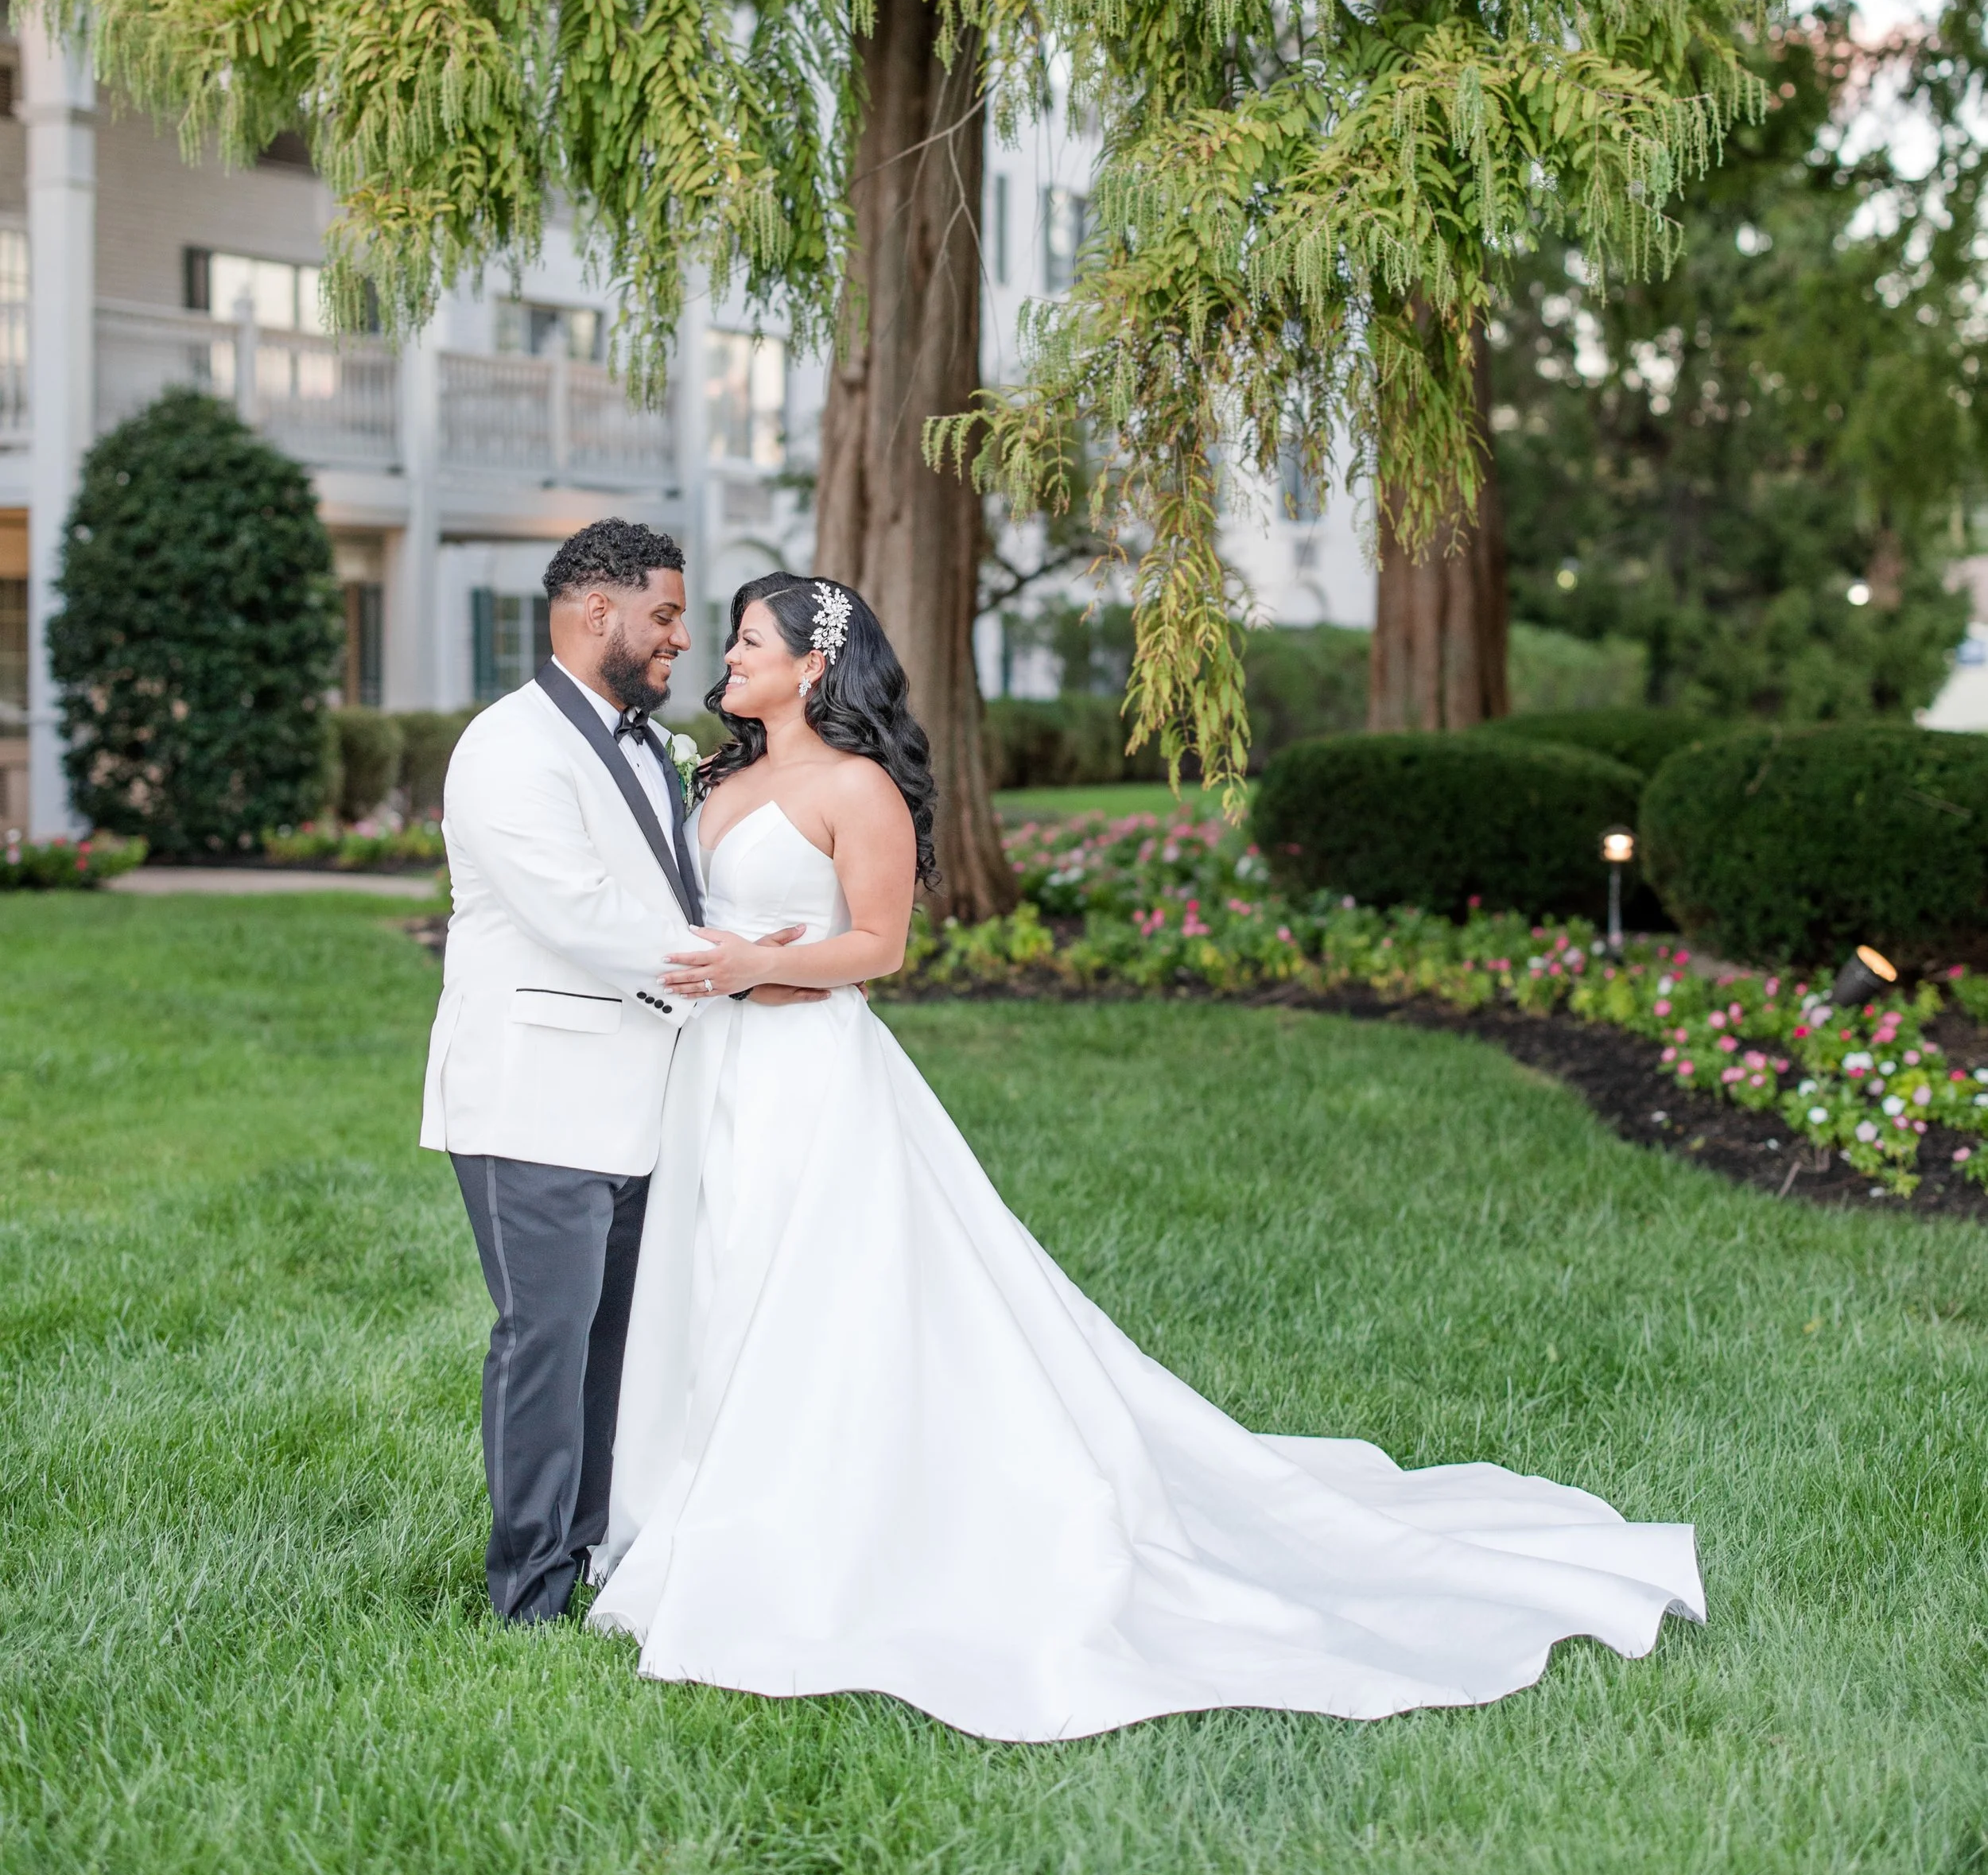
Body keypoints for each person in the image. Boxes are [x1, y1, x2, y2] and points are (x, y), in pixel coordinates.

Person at [587, 573, 1704, 1742]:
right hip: (713, 1070)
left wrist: (756, 969)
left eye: (750, 639)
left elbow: (879, 947)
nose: (728, 654)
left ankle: (796, 1530)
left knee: (806, 1291)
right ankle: (689, 1494)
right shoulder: (720, 776)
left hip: (808, 1076)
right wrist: (704, 965)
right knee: (708, 1275)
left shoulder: (855, 786)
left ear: (813, 666)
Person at [420, 519, 813, 1625]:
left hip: (651, 1096)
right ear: (598, 612)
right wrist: (733, 968)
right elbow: (576, 914)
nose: (683, 640)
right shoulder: (507, 746)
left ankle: (594, 1548)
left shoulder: (659, 747)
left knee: (618, 1341)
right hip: (534, 1093)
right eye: (667, 616)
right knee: (545, 1338)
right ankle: (529, 1587)